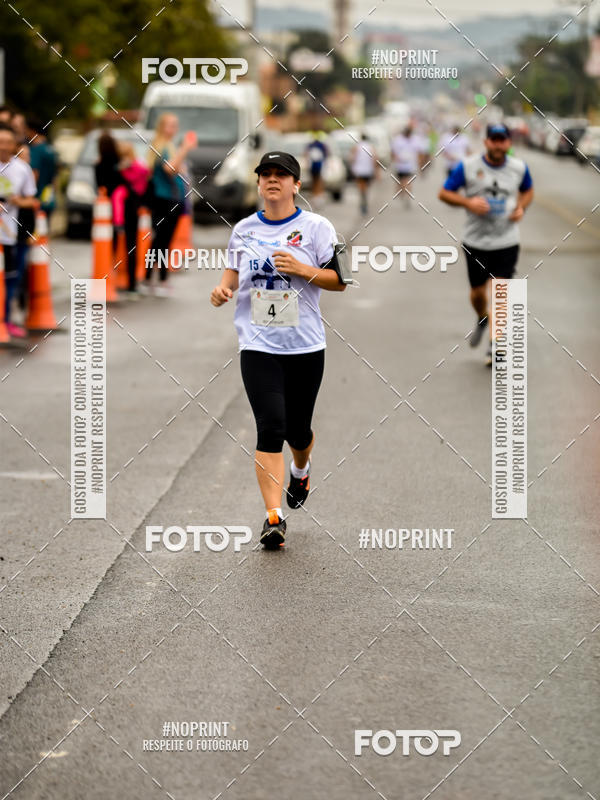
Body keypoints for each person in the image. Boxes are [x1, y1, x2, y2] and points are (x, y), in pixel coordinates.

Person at [210, 151, 346, 549]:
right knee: (271, 427)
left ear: (296, 185)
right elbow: (231, 274)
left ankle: (301, 469)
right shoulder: (244, 230)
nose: (273, 180)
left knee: (297, 432)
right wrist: (223, 290)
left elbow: (340, 280)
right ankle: (274, 517)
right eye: (266, 174)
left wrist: (302, 269)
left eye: (281, 175)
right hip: (258, 344)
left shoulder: (317, 227)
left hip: (305, 346)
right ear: (258, 183)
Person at [438, 122, 534, 366]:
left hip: (506, 240)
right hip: (476, 241)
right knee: (478, 293)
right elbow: (444, 193)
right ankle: (482, 316)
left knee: (500, 291)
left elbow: (528, 191)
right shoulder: (468, 166)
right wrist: (467, 203)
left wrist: (521, 207)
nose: (498, 145)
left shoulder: (519, 168)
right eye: (494, 140)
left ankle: (495, 345)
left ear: (509, 143)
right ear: (486, 142)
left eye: (503, 140)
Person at [142, 113, 196, 297]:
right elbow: (169, 168)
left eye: (175, 125)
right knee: (161, 241)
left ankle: (153, 278)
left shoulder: (167, 146)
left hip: (170, 199)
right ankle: (158, 279)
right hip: (165, 200)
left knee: (162, 241)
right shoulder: (162, 146)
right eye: (170, 125)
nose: (174, 129)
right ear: (161, 127)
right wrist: (185, 149)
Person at [0, 124, 37, 338]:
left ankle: (5, 321)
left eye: (8, 142)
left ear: (14, 144)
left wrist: (17, 201)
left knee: (10, 279)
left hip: (9, 235)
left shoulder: (22, 169)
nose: (4, 146)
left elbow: (31, 200)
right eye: (0, 142)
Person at [113, 141, 150, 297]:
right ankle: (127, 283)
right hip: (127, 212)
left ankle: (131, 283)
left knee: (131, 247)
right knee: (127, 247)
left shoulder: (135, 169)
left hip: (130, 212)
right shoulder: (121, 170)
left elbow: (144, 173)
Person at [25, 118, 58, 220]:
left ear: (32, 131)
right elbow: (55, 176)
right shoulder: (50, 149)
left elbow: (34, 173)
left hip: (37, 198)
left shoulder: (35, 150)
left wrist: (29, 196)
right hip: (48, 196)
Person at [391, 126, 421, 207]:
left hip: (410, 166)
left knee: (407, 181)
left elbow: (418, 153)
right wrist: (396, 159)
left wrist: (419, 164)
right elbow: (393, 152)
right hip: (400, 166)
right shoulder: (398, 140)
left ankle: (407, 195)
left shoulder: (415, 140)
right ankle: (403, 192)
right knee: (402, 182)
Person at [350, 133, 378, 215]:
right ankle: (364, 199)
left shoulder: (357, 147)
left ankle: (363, 199)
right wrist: (375, 170)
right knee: (366, 187)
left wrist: (353, 167)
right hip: (368, 170)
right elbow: (374, 158)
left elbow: (352, 158)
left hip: (359, 170)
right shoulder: (370, 147)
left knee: (361, 186)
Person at [305, 133, 328, 206]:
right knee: (317, 181)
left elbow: (306, 154)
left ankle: (316, 195)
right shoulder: (320, 145)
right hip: (316, 166)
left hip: (316, 166)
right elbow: (326, 154)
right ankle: (316, 196)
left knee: (316, 181)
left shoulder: (312, 145)